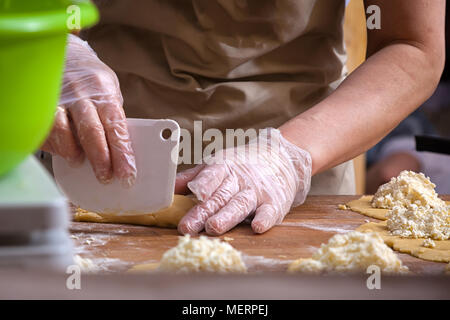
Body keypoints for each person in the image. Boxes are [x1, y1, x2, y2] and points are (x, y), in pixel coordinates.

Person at [41, 1, 445, 235]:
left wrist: (287, 157)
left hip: (302, 160)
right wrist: (45, 50)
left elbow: (412, 45)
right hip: (97, 148)